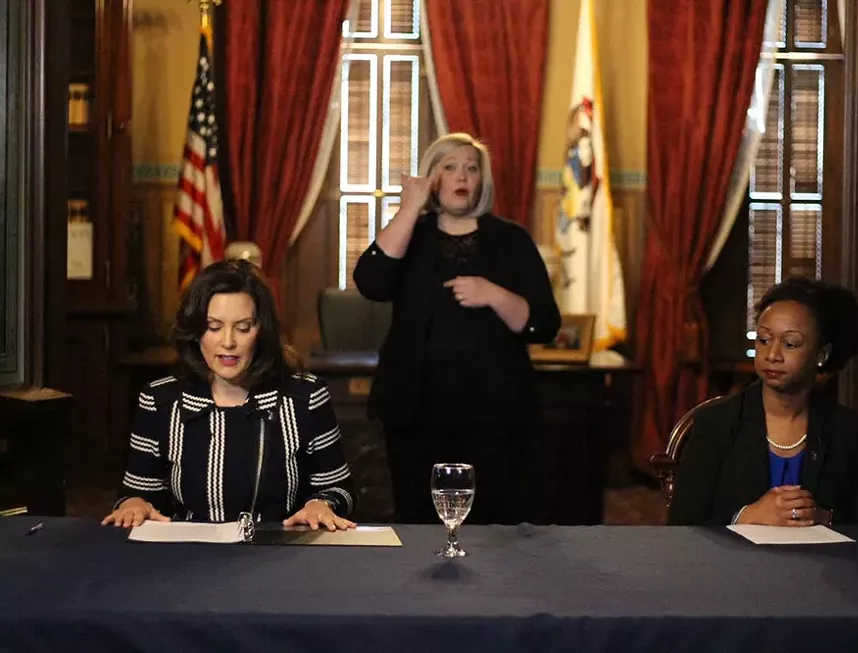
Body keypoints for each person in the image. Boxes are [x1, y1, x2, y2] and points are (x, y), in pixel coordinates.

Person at [353, 132, 561, 525]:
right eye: (449, 168)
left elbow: (544, 325)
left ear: (482, 181)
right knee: (417, 521)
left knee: (492, 523)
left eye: (471, 168)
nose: (462, 176)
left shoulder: (511, 240)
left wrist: (494, 295)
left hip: (493, 415)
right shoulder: (411, 234)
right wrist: (411, 208)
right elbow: (371, 282)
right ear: (433, 179)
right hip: (416, 412)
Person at [103, 260, 357, 531]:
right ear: (195, 331)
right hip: (186, 560)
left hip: (280, 555)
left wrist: (322, 504)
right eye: (214, 327)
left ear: (261, 331)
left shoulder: (306, 397)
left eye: (243, 327)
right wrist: (134, 504)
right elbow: (138, 493)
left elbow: (339, 489)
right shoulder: (160, 400)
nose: (228, 342)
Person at [669, 277, 858, 526]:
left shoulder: (848, 430)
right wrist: (743, 517)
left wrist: (826, 518)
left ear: (821, 354)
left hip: (821, 563)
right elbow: (681, 526)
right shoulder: (715, 424)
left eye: (789, 344)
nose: (772, 355)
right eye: (764, 340)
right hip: (735, 563)